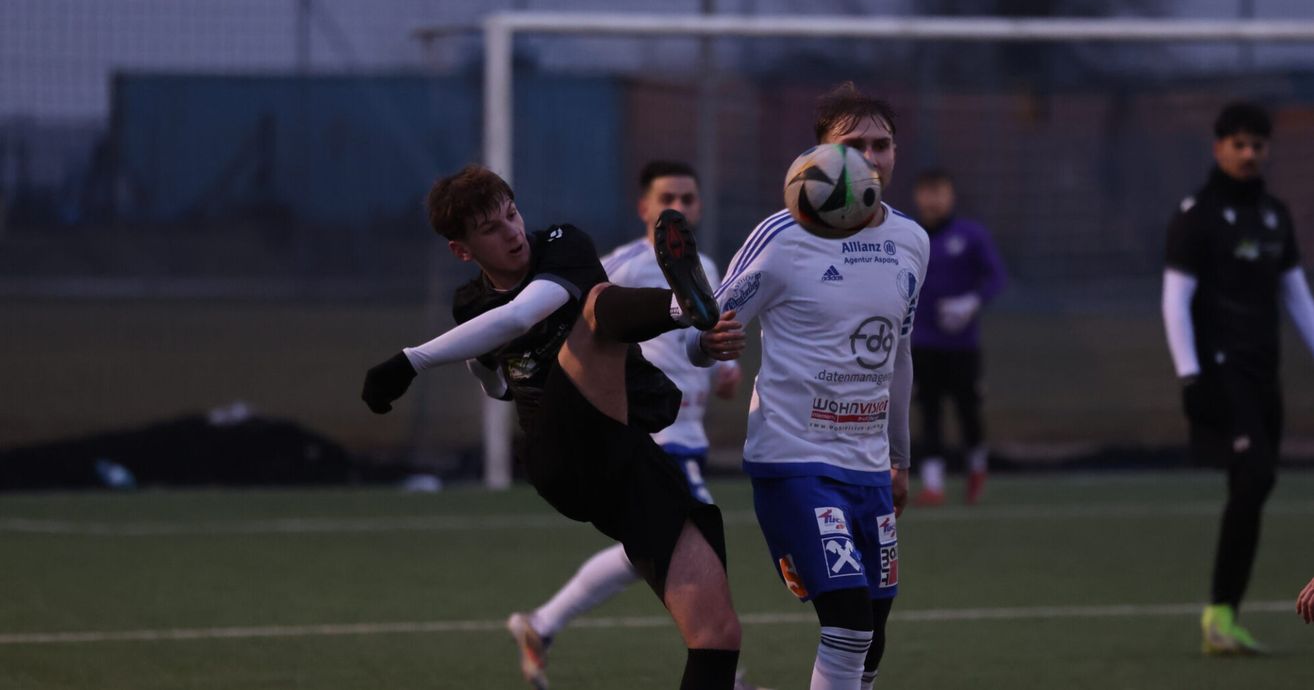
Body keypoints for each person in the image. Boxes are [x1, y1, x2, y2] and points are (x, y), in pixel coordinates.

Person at [360, 164, 743, 689]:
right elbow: (498, 382)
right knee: (595, 306)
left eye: (512, 214)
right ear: (462, 250)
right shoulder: (471, 305)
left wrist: (413, 361)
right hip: (560, 453)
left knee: (716, 633)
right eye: (491, 228)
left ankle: (685, 306)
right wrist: (461, 360)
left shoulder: (564, 245)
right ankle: (683, 305)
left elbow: (520, 320)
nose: (512, 232)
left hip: (625, 450)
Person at [691, 82, 928, 690]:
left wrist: (899, 459)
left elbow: (898, 355)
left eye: (882, 144)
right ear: (816, 157)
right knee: (848, 622)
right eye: (853, 145)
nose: (870, 158)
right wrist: (708, 344)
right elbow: (704, 330)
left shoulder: (911, 241)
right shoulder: (783, 237)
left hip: (868, 467)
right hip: (794, 459)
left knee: (873, 632)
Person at [505, 160, 743, 689]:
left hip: (690, 428)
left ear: (700, 206)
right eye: (667, 199)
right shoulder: (624, 265)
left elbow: (702, 337)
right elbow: (580, 310)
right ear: (644, 208)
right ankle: (727, 671)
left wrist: (722, 366)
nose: (678, 208)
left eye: (687, 198)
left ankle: (541, 625)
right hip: (654, 429)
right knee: (690, 545)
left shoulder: (704, 263)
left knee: (652, 551)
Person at [1161, 101, 1314, 655]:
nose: (1249, 154)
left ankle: (1223, 617)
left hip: (1264, 372)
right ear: (1219, 147)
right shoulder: (1197, 214)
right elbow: (1175, 300)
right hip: (1222, 374)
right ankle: (1219, 617)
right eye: (1239, 144)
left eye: (1258, 145)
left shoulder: (1275, 214)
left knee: (1256, 483)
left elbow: (1297, 297)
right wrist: (1190, 376)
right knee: (1254, 474)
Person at [908, 168, 1006, 506]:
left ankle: (977, 468)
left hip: (962, 345)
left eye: (939, 192)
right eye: (927, 192)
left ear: (951, 196)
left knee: (968, 410)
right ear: (918, 196)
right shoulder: (910, 237)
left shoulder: (970, 235)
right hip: (922, 342)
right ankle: (933, 484)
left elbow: (996, 277)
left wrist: (971, 302)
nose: (933, 200)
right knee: (928, 410)